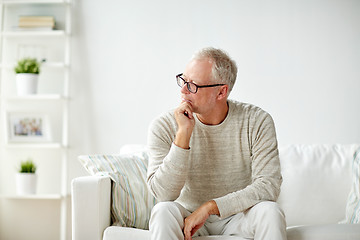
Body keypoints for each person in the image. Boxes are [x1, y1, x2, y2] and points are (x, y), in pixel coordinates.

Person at [146, 47, 286, 240]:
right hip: (187, 217)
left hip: (239, 216)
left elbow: (268, 185)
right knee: (163, 211)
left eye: (193, 85)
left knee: (270, 211)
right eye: (183, 80)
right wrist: (183, 136)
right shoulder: (164, 125)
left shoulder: (257, 121)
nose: (183, 90)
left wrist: (211, 207)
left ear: (221, 92)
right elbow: (163, 194)